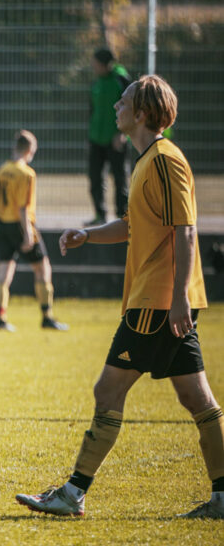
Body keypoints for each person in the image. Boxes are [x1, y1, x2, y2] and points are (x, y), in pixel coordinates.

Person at [16, 75, 223, 519]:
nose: (115, 107)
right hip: (161, 301)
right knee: (198, 400)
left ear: (143, 113)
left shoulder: (166, 160)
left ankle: (72, 494)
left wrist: (180, 298)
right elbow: (134, 225)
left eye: (124, 101)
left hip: (157, 303)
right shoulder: (147, 159)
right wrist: (87, 235)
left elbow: (185, 230)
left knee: (107, 391)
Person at [0, 130, 68, 332]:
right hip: (20, 224)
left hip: (2, 224)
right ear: (29, 150)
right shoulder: (26, 173)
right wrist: (27, 234)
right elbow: (23, 207)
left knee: (3, 273)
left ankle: (1, 319)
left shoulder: (2, 170)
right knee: (43, 269)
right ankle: (47, 316)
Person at [87, 47, 131, 225]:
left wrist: (122, 133)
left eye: (96, 63)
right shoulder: (96, 82)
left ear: (106, 65)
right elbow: (92, 110)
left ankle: (123, 217)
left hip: (116, 140)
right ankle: (100, 215)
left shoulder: (121, 81)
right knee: (95, 177)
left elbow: (131, 108)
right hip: (96, 138)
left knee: (120, 178)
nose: (93, 66)